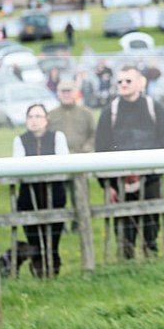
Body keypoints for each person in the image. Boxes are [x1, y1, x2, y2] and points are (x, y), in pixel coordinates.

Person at [95, 65, 164, 258]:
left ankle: (151, 256)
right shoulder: (109, 112)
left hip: (150, 178)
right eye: (120, 81)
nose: (123, 84)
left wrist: (150, 166)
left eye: (128, 81)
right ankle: (127, 261)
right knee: (123, 226)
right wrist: (107, 184)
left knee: (151, 223)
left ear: (141, 83)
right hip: (119, 180)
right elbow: (101, 149)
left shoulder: (154, 108)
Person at [12, 104, 69, 277]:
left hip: (55, 194)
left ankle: (53, 271)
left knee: (53, 238)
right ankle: (38, 273)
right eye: (30, 117)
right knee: (34, 239)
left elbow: (63, 162)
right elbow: (18, 165)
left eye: (38, 116)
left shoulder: (57, 137)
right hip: (29, 196)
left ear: (46, 119)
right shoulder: (20, 140)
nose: (34, 120)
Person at [48, 79, 96, 232]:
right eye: (63, 91)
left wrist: (85, 150)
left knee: (80, 195)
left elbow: (93, 135)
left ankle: (80, 224)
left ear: (75, 93)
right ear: (58, 93)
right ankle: (60, 225)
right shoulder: (51, 115)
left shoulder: (86, 113)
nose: (66, 94)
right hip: (58, 163)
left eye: (69, 91)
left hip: (80, 161)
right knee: (58, 195)